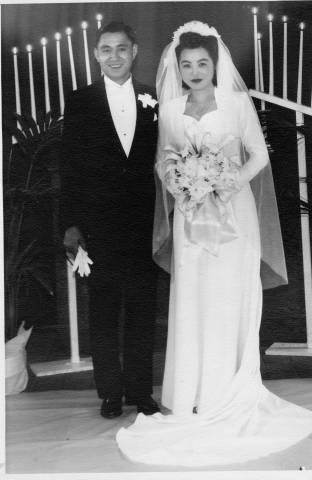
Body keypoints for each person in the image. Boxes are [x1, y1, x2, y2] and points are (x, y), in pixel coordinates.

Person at [116, 21, 312, 466]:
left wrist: (227, 181)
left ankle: (228, 389)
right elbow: (161, 162)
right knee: (193, 298)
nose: (193, 71)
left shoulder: (237, 104)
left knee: (229, 295)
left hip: (233, 213)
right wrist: (181, 182)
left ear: (215, 64)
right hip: (191, 217)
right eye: (186, 64)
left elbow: (259, 155)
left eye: (201, 63)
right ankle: (190, 393)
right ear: (178, 67)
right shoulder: (170, 110)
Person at [60, 21, 160, 419]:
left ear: (134, 52)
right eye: (106, 49)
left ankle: (140, 390)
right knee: (102, 309)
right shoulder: (80, 100)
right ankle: (110, 392)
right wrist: (71, 224)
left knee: (142, 307)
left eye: (122, 48)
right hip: (97, 223)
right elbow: (69, 165)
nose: (114, 56)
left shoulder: (153, 96)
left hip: (143, 222)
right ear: (96, 54)